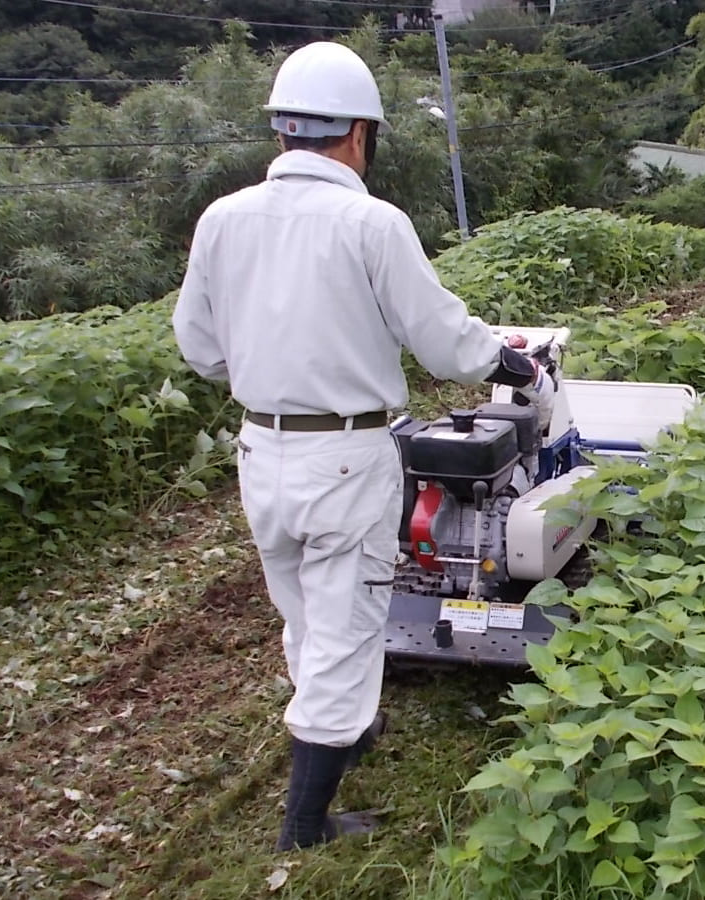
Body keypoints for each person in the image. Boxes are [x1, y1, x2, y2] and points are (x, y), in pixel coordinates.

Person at [172, 41, 550, 852]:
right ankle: (306, 827)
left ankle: (345, 729)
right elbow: (446, 343)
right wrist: (508, 361)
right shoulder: (370, 223)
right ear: (359, 136)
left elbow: (200, 350)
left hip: (260, 453)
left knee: (305, 613)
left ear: (283, 133)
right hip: (345, 457)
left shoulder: (222, 220)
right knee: (347, 626)